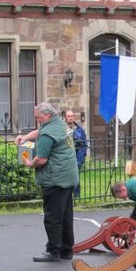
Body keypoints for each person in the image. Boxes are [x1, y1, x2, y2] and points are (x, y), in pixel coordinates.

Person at [16, 102, 79, 262]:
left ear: (47, 115)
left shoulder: (48, 134)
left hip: (55, 178)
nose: (37, 120)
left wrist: (30, 164)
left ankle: (53, 250)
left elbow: (41, 159)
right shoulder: (58, 123)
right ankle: (66, 249)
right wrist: (25, 137)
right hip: (69, 176)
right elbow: (40, 131)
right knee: (65, 215)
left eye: (38, 117)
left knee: (53, 216)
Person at [65, 110, 87, 198]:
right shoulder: (62, 129)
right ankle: (67, 194)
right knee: (67, 176)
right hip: (66, 156)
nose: (70, 118)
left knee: (76, 175)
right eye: (68, 116)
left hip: (78, 155)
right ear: (65, 118)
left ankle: (76, 195)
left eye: (72, 116)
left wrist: (82, 157)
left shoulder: (79, 130)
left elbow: (84, 144)